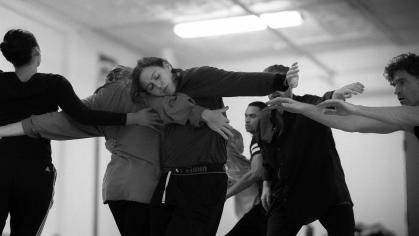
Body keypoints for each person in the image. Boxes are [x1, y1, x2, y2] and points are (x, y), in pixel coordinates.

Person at [0, 65, 231, 235]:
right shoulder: (147, 98)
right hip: (145, 187)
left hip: (115, 188)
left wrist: (8, 129)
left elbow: (59, 122)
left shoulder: (100, 105)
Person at [0, 29, 151, 235]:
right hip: (34, 173)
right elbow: (85, 116)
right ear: (36, 51)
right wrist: (131, 118)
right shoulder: (53, 83)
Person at [130, 57, 299, 236]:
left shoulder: (199, 78)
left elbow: (238, 81)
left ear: (167, 66)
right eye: (151, 86)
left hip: (204, 178)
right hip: (172, 179)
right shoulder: (159, 100)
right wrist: (203, 114)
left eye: (157, 77)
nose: (158, 85)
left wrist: (281, 80)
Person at [257, 64, 364, 236]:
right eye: (270, 84)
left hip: (328, 191)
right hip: (289, 195)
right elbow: (267, 156)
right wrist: (266, 185)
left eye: (280, 82)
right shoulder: (263, 119)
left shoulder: (307, 104)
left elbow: (325, 103)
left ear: (291, 84)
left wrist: (336, 96)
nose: (275, 88)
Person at [268, 53, 419, 140]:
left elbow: (412, 115)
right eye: (395, 84)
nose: (396, 90)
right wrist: (302, 108)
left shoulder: (409, 116)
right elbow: (353, 123)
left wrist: (355, 108)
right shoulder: (404, 120)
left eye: (402, 82)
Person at [225, 101, 268, 236]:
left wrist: (226, 195)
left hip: (266, 208)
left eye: (252, 116)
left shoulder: (259, 141)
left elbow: (255, 173)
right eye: (246, 116)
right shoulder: (262, 141)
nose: (247, 120)